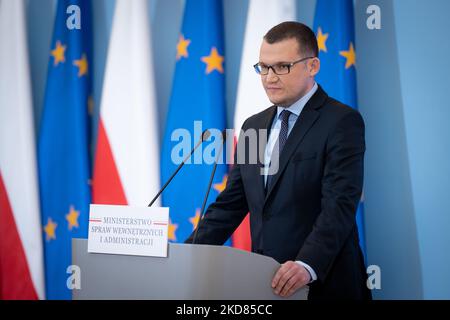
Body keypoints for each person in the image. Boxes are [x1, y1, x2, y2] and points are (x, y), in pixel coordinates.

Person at [185, 21, 371, 300]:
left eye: (282, 66)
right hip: (264, 284)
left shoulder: (341, 121)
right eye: (263, 67)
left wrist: (306, 264)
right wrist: (186, 254)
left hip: (324, 284)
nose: (269, 77)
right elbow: (231, 204)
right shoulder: (253, 127)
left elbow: (339, 205)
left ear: (312, 66)